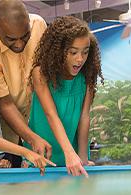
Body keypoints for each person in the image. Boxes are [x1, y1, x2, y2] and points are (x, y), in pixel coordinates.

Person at [0, 0, 51, 167]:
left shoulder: (39, 24)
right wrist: (31, 139)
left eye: (25, 36)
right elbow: (5, 103)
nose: (19, 44)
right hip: (6, 134)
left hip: (39, 124)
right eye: (11, 39)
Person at [26, 16, 102, 177]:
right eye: (73, 52)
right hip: (41, 155)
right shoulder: (40, 74)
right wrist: (69, 153)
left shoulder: (87, 76)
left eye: (85, 52)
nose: (80, 59)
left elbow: (84, 117)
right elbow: (50, 114)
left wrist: (82, 157)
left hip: (73, 157)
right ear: (58, 50)